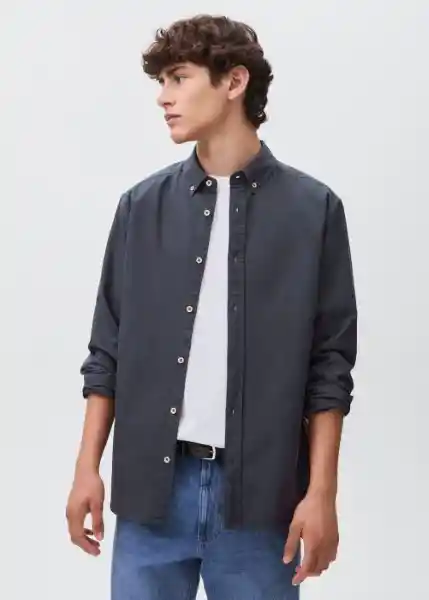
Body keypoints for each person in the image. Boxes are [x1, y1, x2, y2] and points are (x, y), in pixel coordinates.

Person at [66, 13, 357, 600]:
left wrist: (321, 492)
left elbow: (329, 368)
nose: (163, 97)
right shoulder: (140, 208)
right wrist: (86, 468)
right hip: (151, 496)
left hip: (262, 503)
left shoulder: (314, 211)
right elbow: (107, 349)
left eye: (178, 78)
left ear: (234, 82)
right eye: (161, 82)